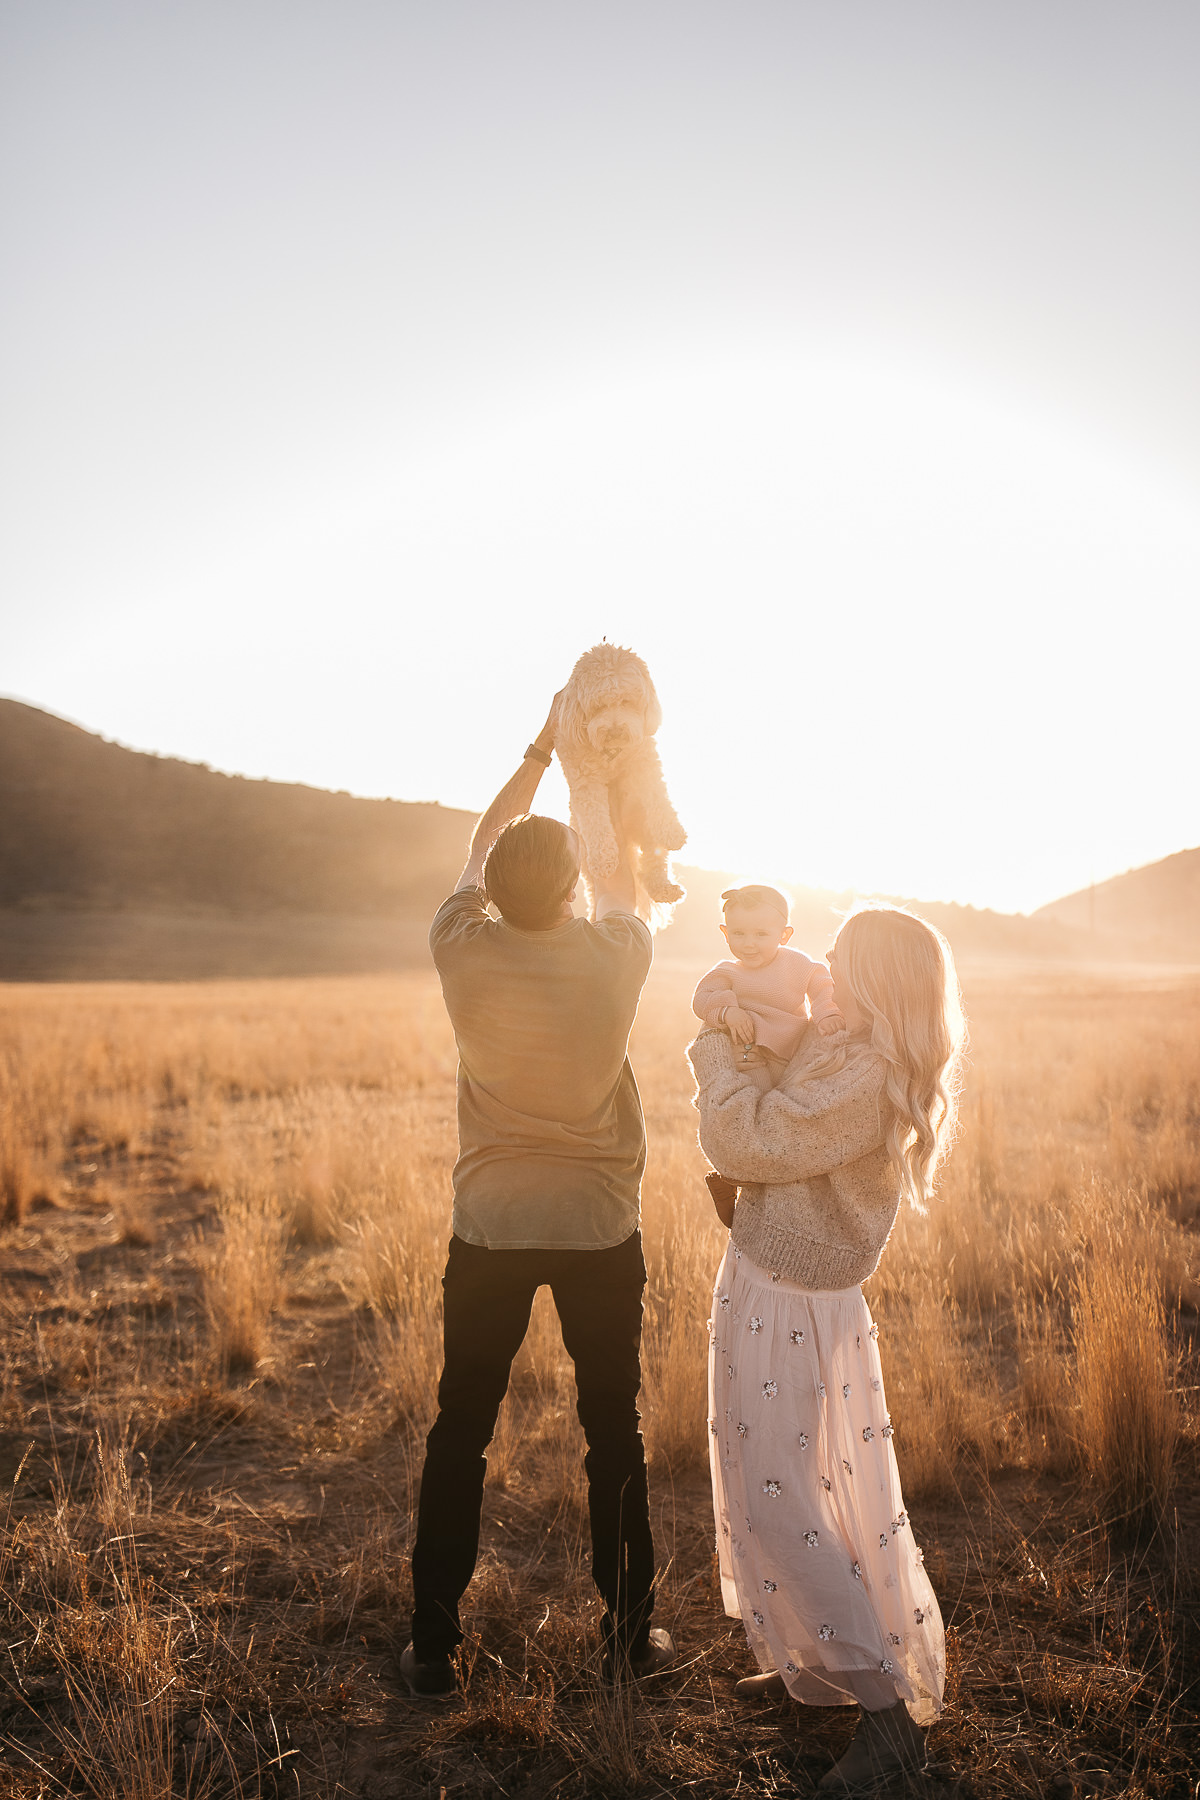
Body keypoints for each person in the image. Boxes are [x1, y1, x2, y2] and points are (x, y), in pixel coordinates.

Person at [400, 699, 676, 1696]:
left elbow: (481, 842)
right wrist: (595, 764)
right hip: (599, 1231)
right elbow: (619, 874)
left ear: (496, 891)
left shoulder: (459, 945)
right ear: (570, 891)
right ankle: (630, 1637)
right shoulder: (616, 955)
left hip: (492, 1229)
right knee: (614, 1429)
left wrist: (537, 750)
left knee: (461, 1428)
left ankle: (434, 1646)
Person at [689, 904, 966, 1792]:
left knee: (784, 1501)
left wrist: (712, 1049)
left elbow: (748, 1137)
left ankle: (887, 1718)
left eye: (841, 962)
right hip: (763, 1279)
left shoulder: (868, 1074)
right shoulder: (840, 1042)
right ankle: (812, 1655)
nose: (824, 973)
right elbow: (772, 1117)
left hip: (793, 1305)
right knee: (764, 1476)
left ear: (877, 981)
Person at [692, 886, 844, 1093]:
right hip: (752, 1058)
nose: (749, 944)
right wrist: (728, 1012)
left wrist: (827, 1013)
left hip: (794, 1056)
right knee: (759, 1096)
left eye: (761, 934)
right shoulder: (728, 972)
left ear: (784, 935)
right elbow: (701, 999)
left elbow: (822, 985)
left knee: (793, 1099)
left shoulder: (796, 964)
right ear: (725, 933)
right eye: (738, 933)